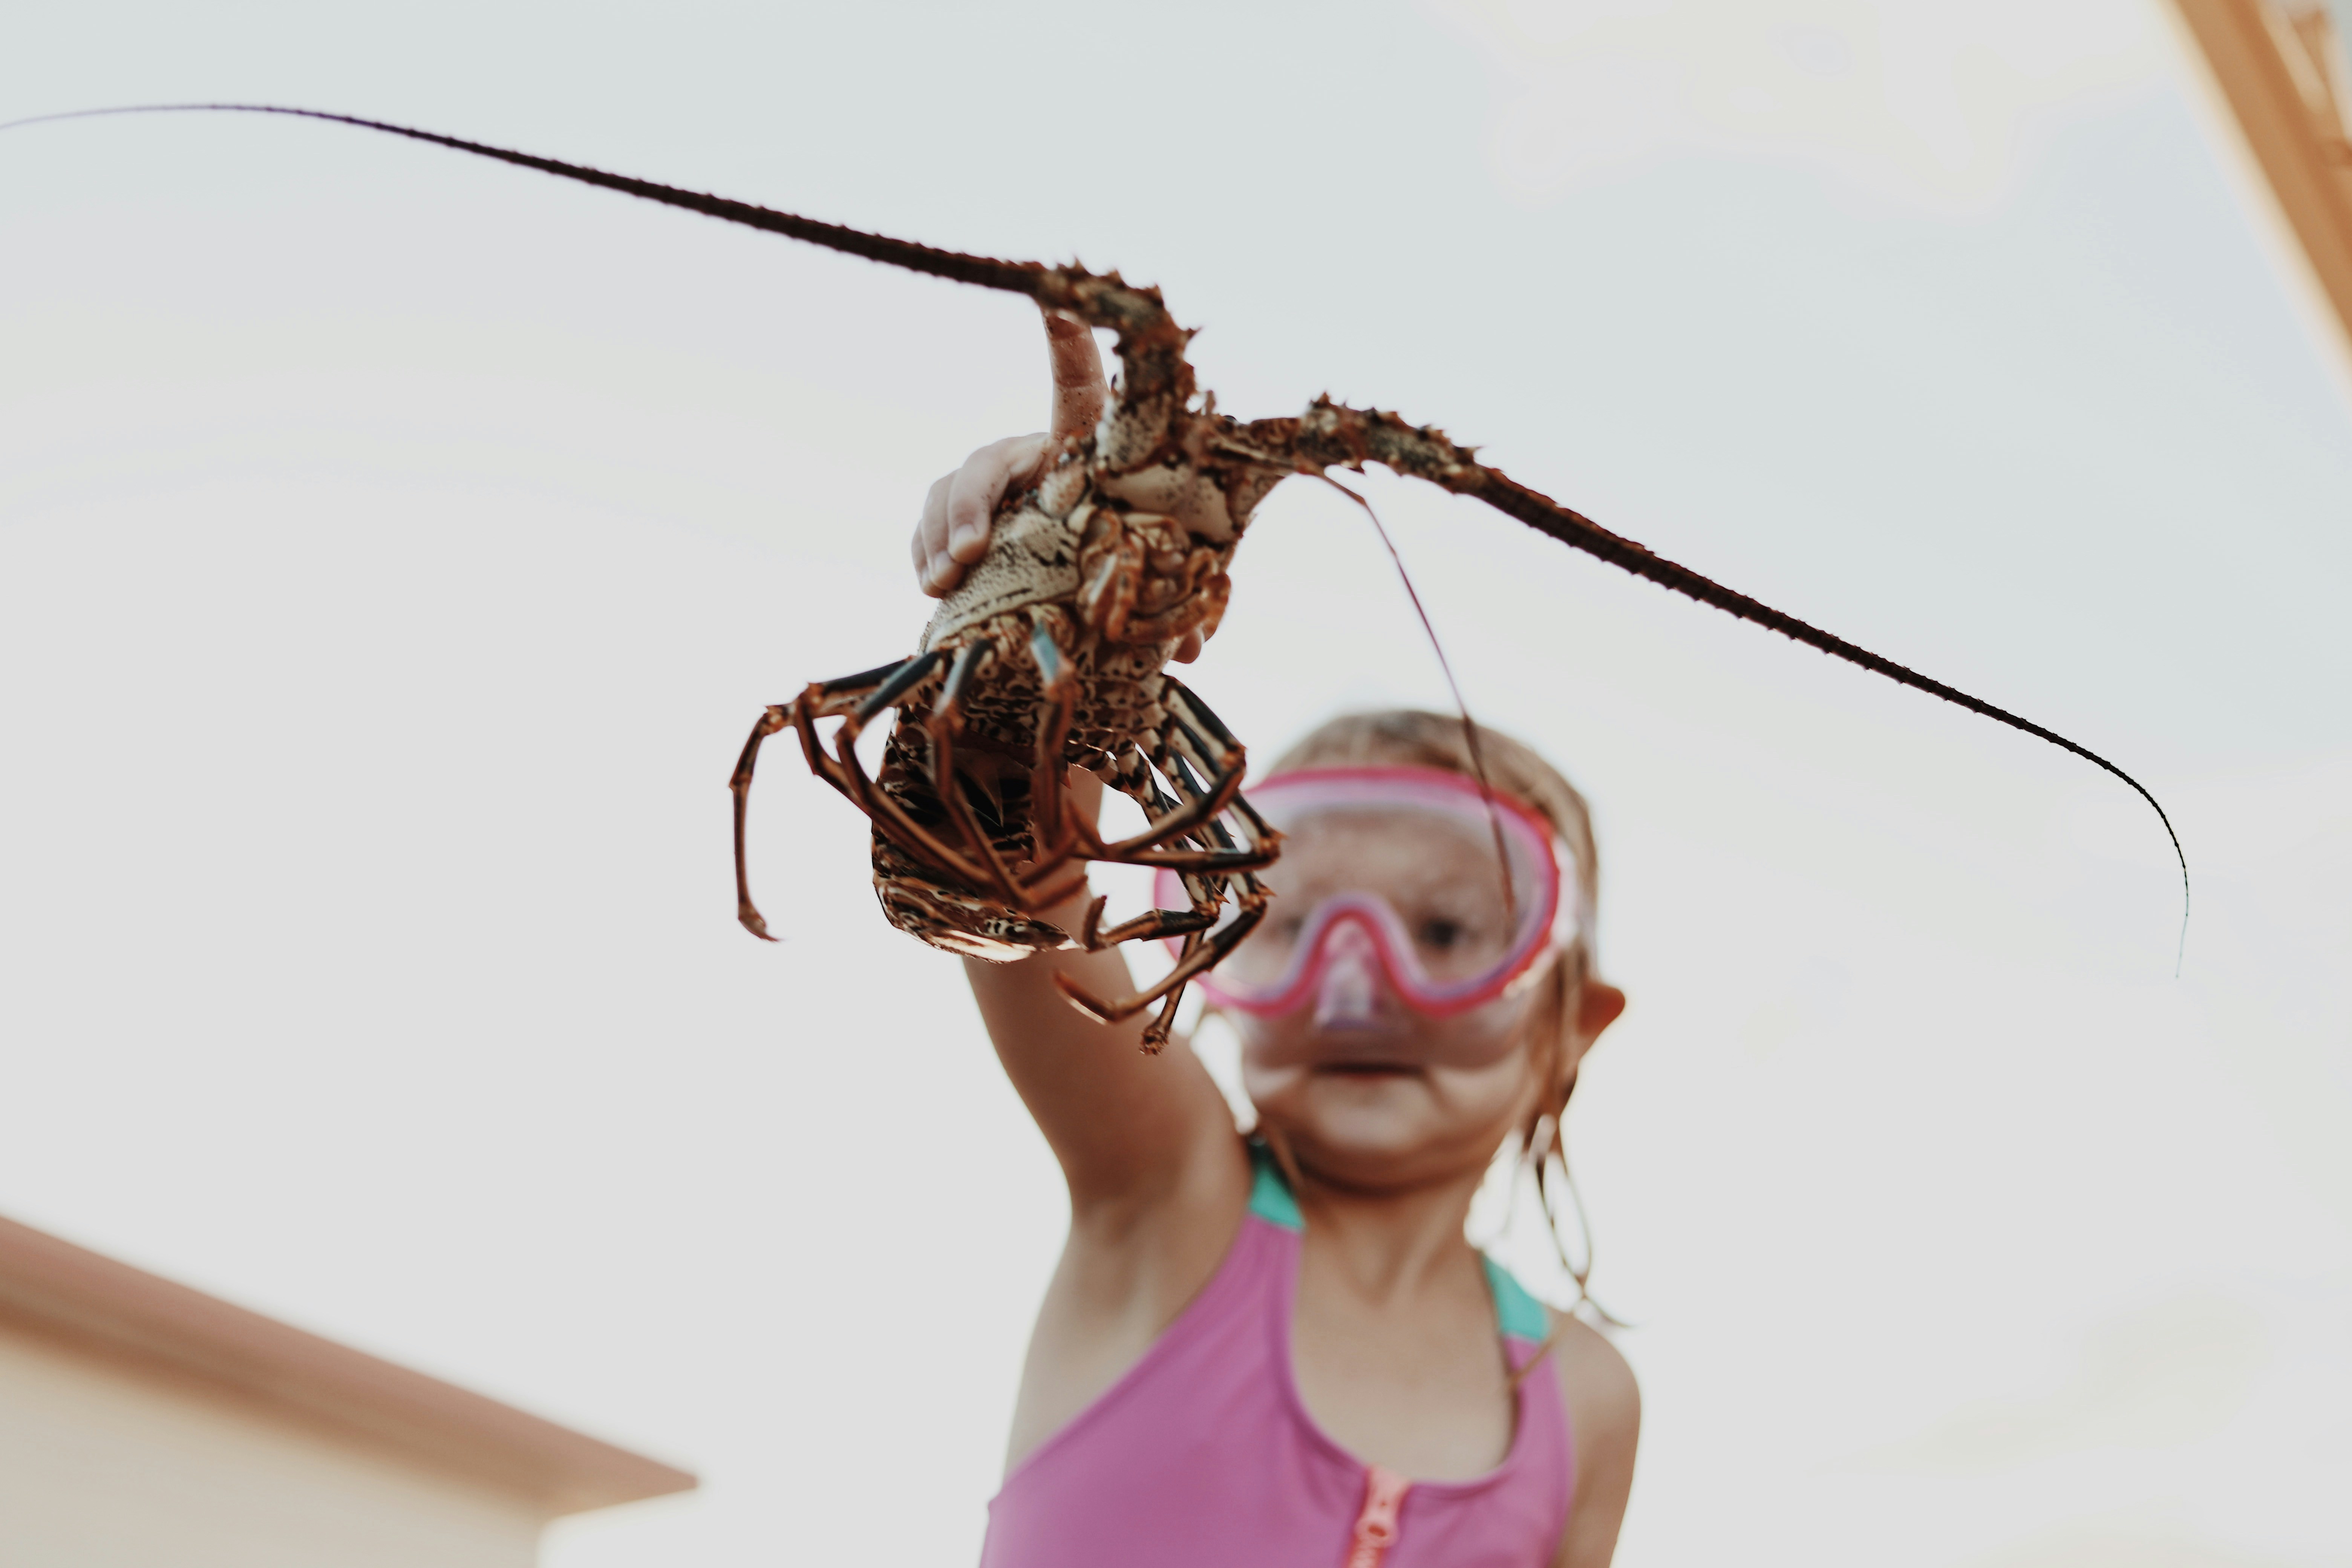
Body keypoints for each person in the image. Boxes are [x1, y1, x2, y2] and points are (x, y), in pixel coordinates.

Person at [906, 311, 1640, 1568]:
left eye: (1447, 927)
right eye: (1290, 921)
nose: (1356, 976)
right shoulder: (1167, 1196)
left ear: (1572, 1020)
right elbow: (1015, 875)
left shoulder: (1589, 1398)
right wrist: (1049, 592)